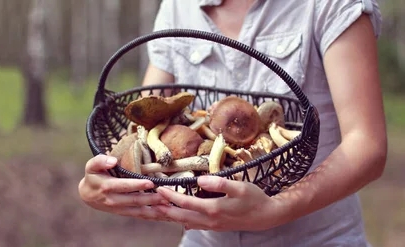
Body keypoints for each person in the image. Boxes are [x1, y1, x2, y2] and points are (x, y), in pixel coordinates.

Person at [78, 0, 388, 246]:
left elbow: (367, 146)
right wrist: (103, 181)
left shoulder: (329, 4)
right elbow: (144, 125)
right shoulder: (177, 7)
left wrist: (278, 208)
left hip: (318, 239)